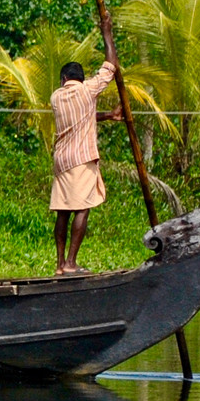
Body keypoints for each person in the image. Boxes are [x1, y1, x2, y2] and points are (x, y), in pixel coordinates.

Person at [51, 59, 121, 275]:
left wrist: (108, 115)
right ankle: (71, 263)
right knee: (82, 208)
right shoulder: (87, 90)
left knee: (63, 212)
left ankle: (60, 264)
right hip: (81, 159)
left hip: (62, 161)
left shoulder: (56, 97)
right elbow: (110, 66)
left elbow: (83, 117)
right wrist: (107, 32)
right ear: (81, 79)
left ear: (64, 79)